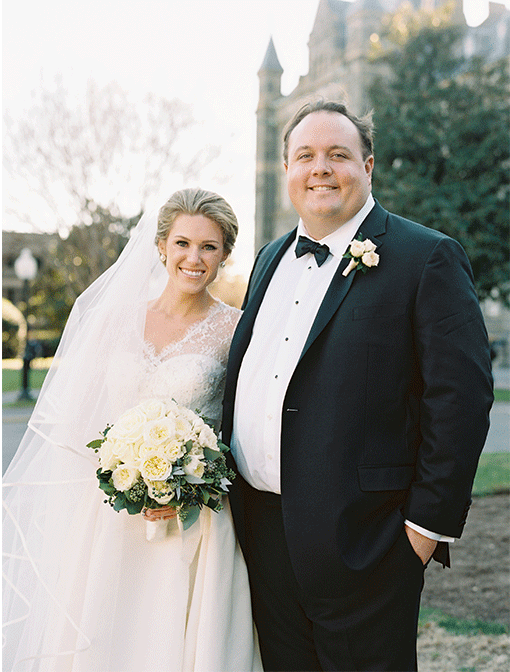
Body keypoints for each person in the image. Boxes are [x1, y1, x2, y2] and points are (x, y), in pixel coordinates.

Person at [223, 100, 493, 671]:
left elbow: (461, 401)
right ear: (287, 170)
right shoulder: (269, 260)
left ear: (368, 167)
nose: (320, 167)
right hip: (261, 536)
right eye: (305, 155)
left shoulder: (427, 258)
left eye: (338, 154)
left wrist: (420, 534)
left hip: (366, 542)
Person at [3, 188, 261, 671]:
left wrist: (188, 478)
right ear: (161, 246)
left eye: (209, 246)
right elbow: (79, 419)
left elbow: (244, 430)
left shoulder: (236, 329)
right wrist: (121, 470)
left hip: (195, 519)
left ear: (225, 255)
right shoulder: (115, 321)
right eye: (182, 243)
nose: (194, 258)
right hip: (108, 512)